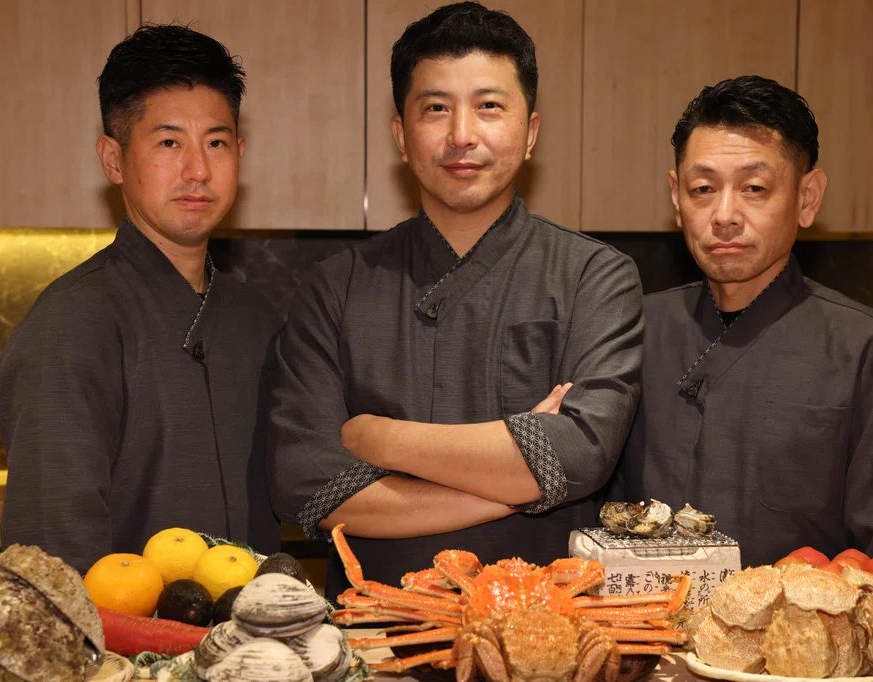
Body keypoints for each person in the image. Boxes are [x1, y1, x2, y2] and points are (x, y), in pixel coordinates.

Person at [266, 1, 644, 599]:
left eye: (489, 106)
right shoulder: (336, 287)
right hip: (373, 632)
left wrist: (377, 437)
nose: (462, 135)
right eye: (436, 108)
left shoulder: (593, 276)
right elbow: (304, 484)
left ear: (530, 133)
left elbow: (580, 454)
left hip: (546, 630)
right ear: (401, 135)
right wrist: (520, 482)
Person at [608, 75, 873, 571]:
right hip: (645, 618)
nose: (724, 215)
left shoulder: (869, 351)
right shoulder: (632, 329)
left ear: (807, 198)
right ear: (676, 198)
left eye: (755, 188)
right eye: (702, 188)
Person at [0, 24, 283, 574]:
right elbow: (54, 556)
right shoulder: (72, 323)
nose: (198, 170)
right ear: (113, 159)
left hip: (257, 628)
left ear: (240, 153)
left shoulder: (258, 321)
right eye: (169, 143)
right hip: (120, 630)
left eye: (216, 143)